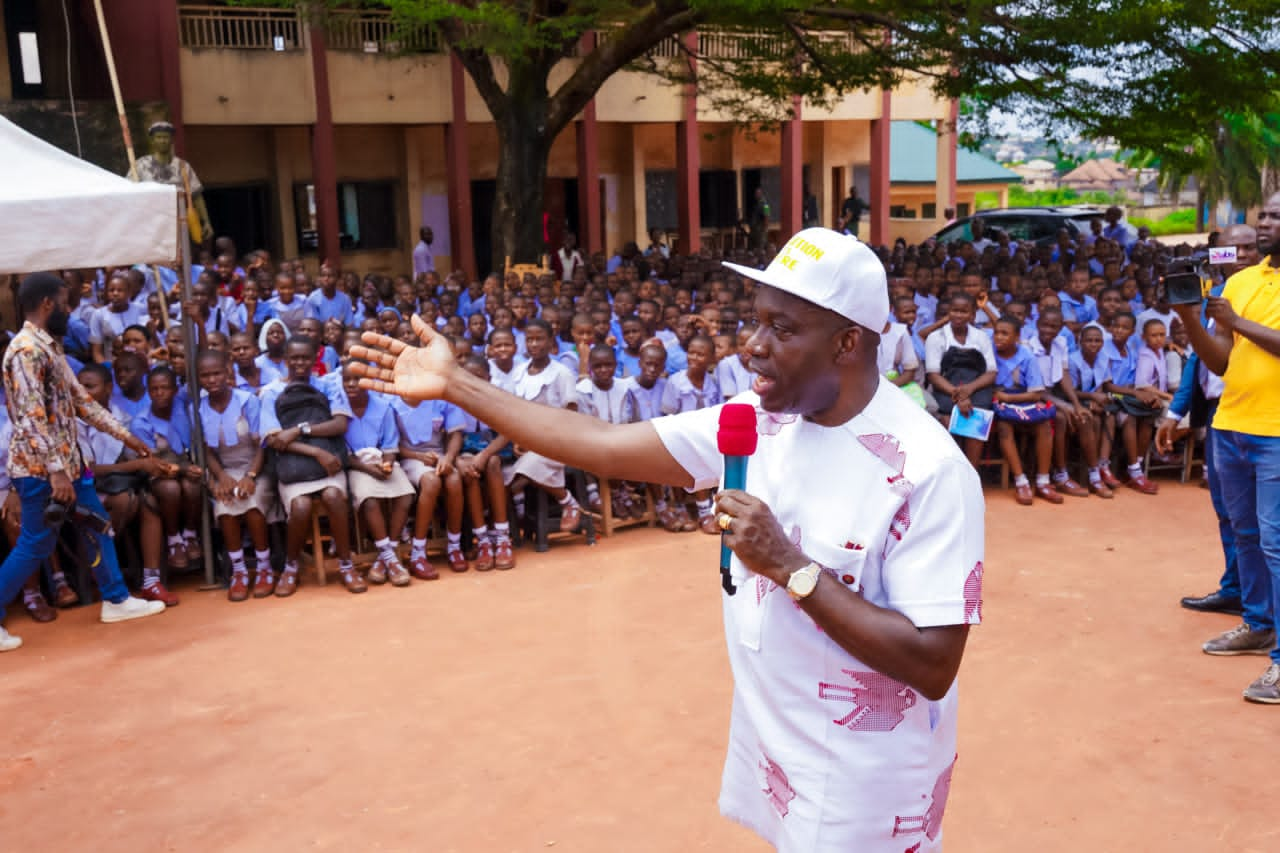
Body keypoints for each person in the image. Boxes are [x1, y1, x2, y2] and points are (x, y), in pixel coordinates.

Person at [351, 227, 983, 850]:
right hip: (780, 745)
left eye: (782, 330)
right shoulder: (757, 420)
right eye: (756, 322)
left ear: (848, 342)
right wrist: (457, 384)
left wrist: (791, 567)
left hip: (864, 785)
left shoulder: (927, 471)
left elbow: (932, 662)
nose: (753, 347)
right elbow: (599, 445)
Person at [0, 273, 165, 651]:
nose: (70, 309)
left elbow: (82, 403)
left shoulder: (48, 348)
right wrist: (56, 471)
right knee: (35, 544)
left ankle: (117, 599)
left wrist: (129, 439)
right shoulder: (26, 351)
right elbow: (30, 417)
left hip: (71, 467)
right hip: (43, 471)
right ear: (46, 305)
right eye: (64, 302)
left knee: (98, 527)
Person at [1171, 192, 1280, 703]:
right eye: (1265, 214)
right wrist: (1192, 318)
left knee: (1277, 544)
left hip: (1276, 431)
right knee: (1247, 535)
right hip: (1231, 424)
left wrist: (1235, 323)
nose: (1264, 223)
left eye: (1276, 216)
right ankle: (1259, 625)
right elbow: (1219, 363)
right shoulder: (1240, 282)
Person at [1157, 224, 1259, 617]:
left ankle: (1260, 604)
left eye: (1252, 247)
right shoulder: (1210, 296)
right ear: (1216, 254)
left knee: (1261, 517)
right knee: (1227, 509)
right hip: (1220, 413)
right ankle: (1236, 589)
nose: (1243, 254)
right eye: (1232, 249)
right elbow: (1197, 362)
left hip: (1260, 412)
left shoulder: (1269, 294)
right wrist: (1175, 412)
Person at [261, 337, 360, 595]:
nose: (300, 363)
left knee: (335, 497)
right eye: (294, 358)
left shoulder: (328, 385)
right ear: (284, 359)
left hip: (328, 464)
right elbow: (274, 439)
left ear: (315, 358)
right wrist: (315, 450)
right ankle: (290, 567)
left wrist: (298, 430)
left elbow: (339, 424)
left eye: (305, 357)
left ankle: (346, 564)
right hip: (296, 467)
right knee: (301, 506)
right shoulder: (271, 392)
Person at [196, 350, 274, 601]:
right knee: (226, 506)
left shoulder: (247, 401)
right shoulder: (198, 408)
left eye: (217, 373)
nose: (212, 380)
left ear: (228, 372)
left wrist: (250, 475)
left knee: (250, 504)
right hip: (224, 469)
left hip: (256, 466)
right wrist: (221, 477)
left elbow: (262, 444)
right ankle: (239, 571)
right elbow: (205, 450)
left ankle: (264, 568)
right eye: (205, 375)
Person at [340, 361, 414, 586]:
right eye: (347, 380)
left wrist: (388, 464)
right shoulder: (337, 409)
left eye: (357, 379)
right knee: (369, 500)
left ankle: (385, 556)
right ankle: (391, 559)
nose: (352, 384)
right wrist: (366, 468)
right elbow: (342, 453)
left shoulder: (383, 407)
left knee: (406, 494)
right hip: (356, 465)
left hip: (381, 460)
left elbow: (390, 444)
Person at [454, 355, 515, 571]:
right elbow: (453, 436)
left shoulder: (499, 395)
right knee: (470, 470)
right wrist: (459, 460)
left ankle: (502, 536)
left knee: (492, 464)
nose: (473, 382)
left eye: (479, 377)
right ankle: (483, 541)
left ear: (488, 378)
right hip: (467, 451)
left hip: (497, 449)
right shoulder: (455, 399)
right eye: (468, 378)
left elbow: (508, 432)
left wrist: (485, 454)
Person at [924, 293, 997, 467]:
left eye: (964, 312)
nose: (958, 315)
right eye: (955, 310)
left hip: (976, 389)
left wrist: (969, 390)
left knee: (975, 416)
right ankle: (953, 474)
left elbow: (991, 372)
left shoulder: (981, 337)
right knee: (948, 419)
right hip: (946, 389)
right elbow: (933, 375)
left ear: (972, 315)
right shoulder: (937, 337)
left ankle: (972, 473)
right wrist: (959, 396)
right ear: (948, 312)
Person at [132, 121, 213, 243]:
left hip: (178, 225)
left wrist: (206, 221)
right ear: (153, 140)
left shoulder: (183, 166)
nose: (163, 141)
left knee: (179, 258)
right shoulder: (140, 165)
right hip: (150, 225)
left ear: (171, 140)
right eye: (159, 137)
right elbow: (129, 196)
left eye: (166, 137)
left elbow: (196, 196)